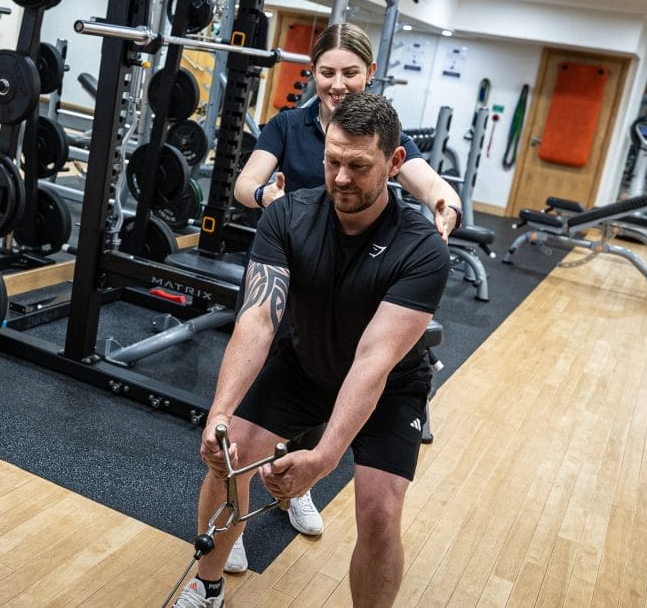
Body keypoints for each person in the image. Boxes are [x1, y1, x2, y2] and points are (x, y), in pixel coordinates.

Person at [173, 91, 450, 607]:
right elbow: (257, 319)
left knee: (379, 511)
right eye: (332, 161)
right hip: (303, 363)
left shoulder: (423, 249)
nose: (341, 177)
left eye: (359, 166)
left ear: (393, 163)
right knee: (230, 453)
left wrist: (324, 458)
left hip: (389, 387)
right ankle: (207, 585)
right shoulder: (287, 217)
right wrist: (219, 414)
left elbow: (374, 360)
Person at [225, 23, 462, 571]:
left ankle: (299, 485)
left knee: (342, 396)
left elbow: (425, 182)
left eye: (349, 72)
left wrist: (444, 203)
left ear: (369, 74)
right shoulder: (289, 125)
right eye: (327, 72)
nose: (337, 84)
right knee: (262, 411)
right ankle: (236, 523)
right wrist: (267, 196)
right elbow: (245, 185)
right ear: (313, 73)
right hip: (302, 273)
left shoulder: (379, 128)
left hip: (360, 285)